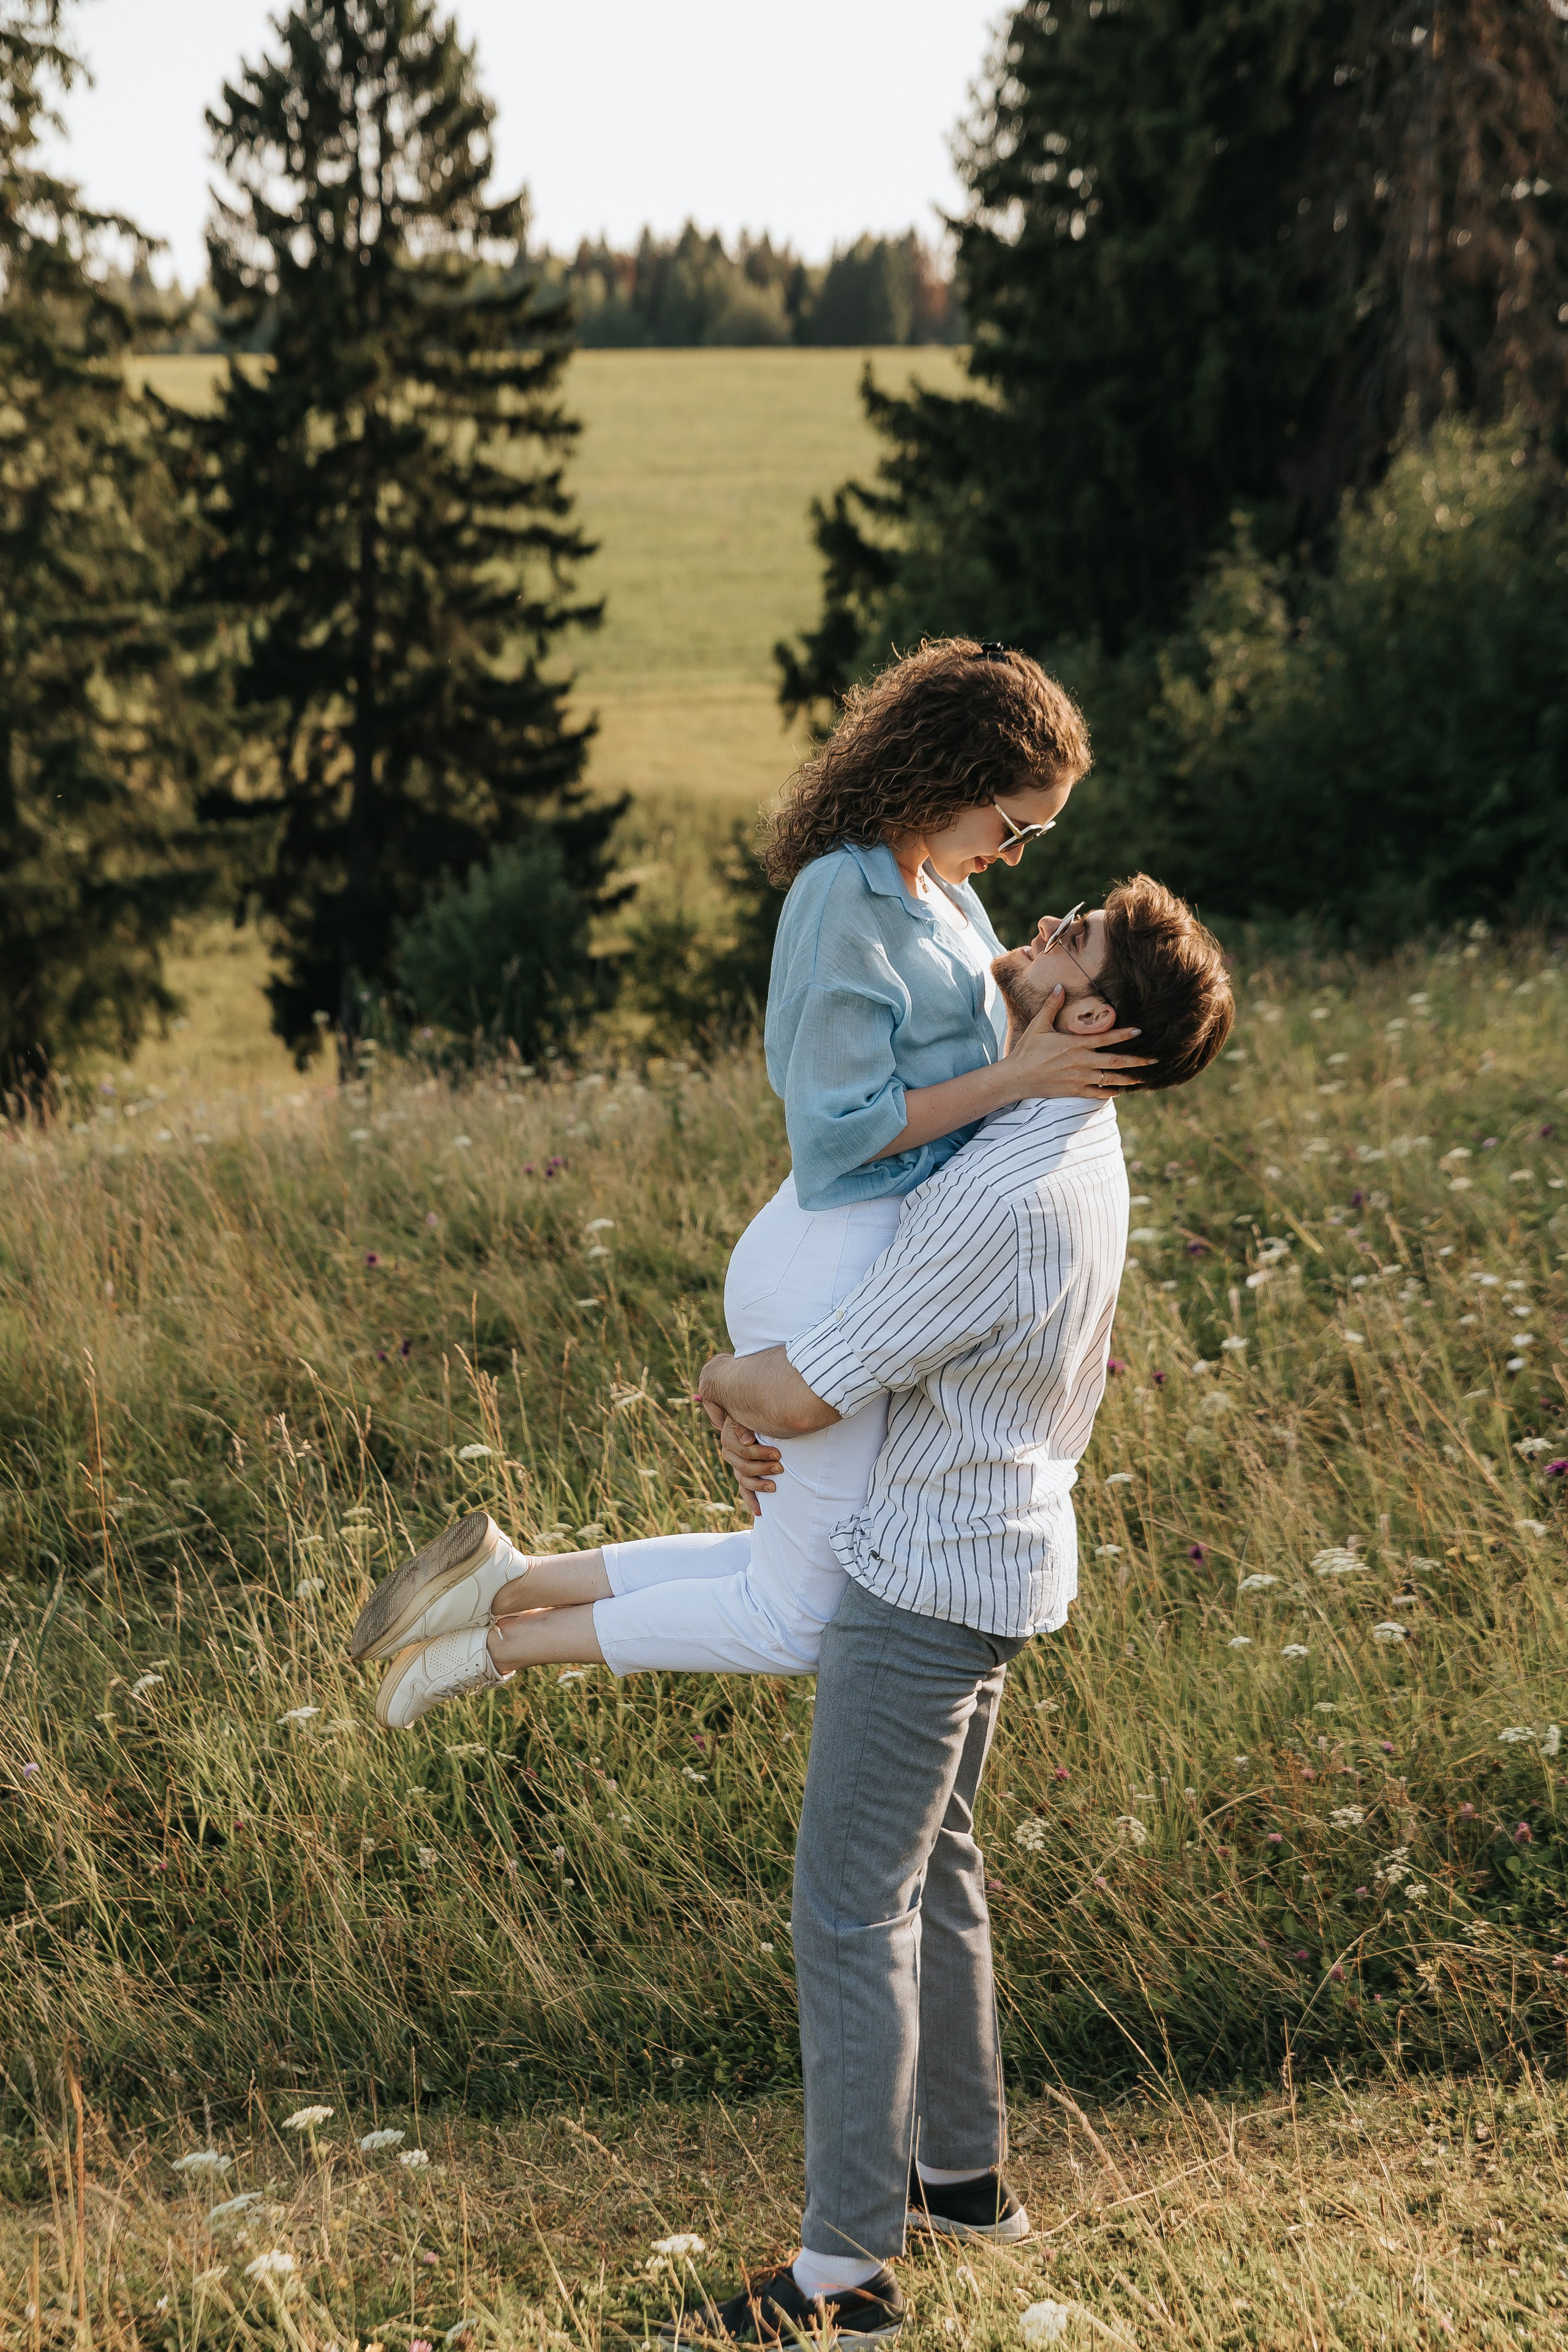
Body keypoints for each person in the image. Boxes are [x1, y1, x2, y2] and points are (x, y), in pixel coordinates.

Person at [350, 639, 1149, 1725]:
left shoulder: (945, 896)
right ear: (949, 782)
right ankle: (489, 1648)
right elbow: (837, 1135)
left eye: (1037, 836)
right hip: (834, 1255)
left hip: (878, 1268)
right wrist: (1018, 1078)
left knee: (794, 1564)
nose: (1019, 856)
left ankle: (507, 1582)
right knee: (803, 1620)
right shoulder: (842, 898)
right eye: (1016, 826)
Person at [659, 874, 1234, 2345]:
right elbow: (984, 966)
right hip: (1003, 1556)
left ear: (1089, 1017)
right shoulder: (1068, 1128)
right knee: (942, 1864)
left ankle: (841, 2276)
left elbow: (802, 1389)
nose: (1035, 933)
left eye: (1068, 943)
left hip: (920, 1579)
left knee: (850, 1907)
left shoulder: (1001, 1188)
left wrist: (717, 1385)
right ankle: (961, 2183)